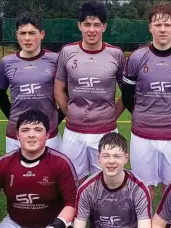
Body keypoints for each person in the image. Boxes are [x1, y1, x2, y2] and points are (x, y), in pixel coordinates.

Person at [121, 3, 171, 199]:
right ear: (150, 27)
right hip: (142, 135)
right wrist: (142, 114)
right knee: (143, 190)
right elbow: (127, 95)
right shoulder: (137, 57)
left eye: (167, 24)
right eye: (158, 25)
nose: (163, 29)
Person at [54, 1, 125, 184]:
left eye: (96, 25)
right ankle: (78, 214)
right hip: (73, 132)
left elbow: (127, 93)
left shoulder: (116, 54)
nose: (91, 30)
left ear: (104, 26)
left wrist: (111, 115)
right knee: (72, 181)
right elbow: (59, 89)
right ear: (79, 25)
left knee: (105, 182)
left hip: (106, 131)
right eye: (87, 24)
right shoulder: (67, 52)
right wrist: (71, 114)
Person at [0, 13, 62, 153]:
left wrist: (57, 118)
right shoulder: (7, 62)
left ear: (42, 34)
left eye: (32, 33)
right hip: (16, 135)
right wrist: (13, 117)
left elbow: (66, 92)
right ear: (16, 35)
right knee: (15, 174)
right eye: (23, 33)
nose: (27, 38)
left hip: (49, 134)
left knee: (51, 174)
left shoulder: (55, 60)